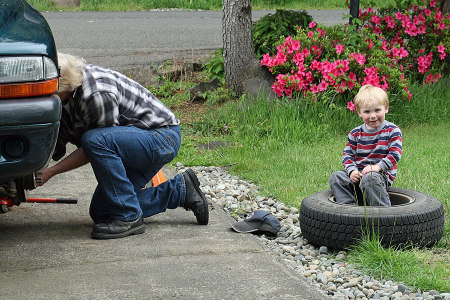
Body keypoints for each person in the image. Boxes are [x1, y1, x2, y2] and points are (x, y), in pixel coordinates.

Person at [34, 53, 209, 239]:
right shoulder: (70, 91)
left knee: (94, 140)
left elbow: (97, 148)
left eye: (50, 91)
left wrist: (51, 171)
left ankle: (129, 218)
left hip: (161, 139)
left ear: (65, 85)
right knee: (102, 212)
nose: (46, 96)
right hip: (136, 143)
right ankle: (180, 191)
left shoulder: (96, 95)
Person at [329, 85, 402, 206]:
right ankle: (349, 210)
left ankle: (383, 213)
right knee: (336, 177)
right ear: (359, 112)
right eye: (367, 112)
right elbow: (347, 155)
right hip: (358, 174)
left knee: (370, 178)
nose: (373, 116)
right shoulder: (355, 133)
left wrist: (378, 167)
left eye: (377, 110)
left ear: (386, 108)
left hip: (380, 175)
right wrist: (352, 171)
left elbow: (395, 154)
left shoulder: (392, 130)